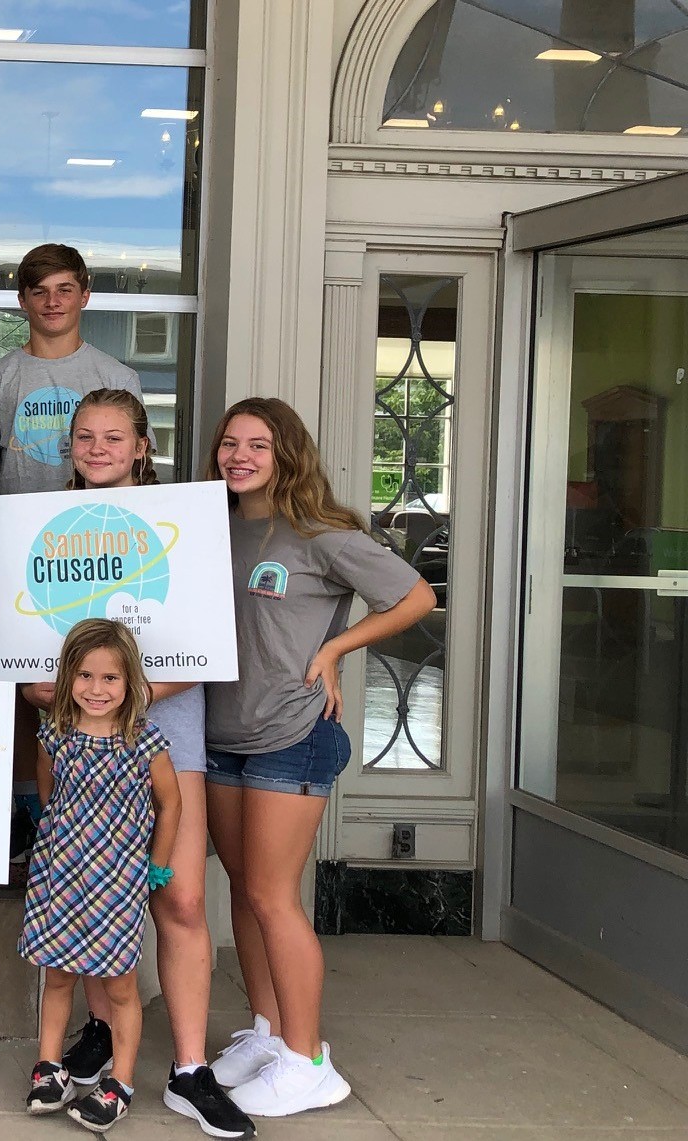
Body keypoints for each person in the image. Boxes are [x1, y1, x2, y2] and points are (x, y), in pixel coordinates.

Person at [19, 389, 253, 1139]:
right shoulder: (41, 523)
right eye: (84, 436)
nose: (97, 447)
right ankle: (97, 1030)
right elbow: (19, 639)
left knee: (178, 899)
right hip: (72, 725)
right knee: (87, 882)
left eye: (113, 436)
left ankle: (189, 1069)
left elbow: (209, 636)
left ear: (141, 445)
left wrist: (128, 692)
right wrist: (45, 684)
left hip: (164, 728)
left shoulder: (180, 521)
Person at [201, 398, 435, 1118]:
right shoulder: (216, 524)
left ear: (287, 453)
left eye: (258, 445)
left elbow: (416, 596)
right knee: (243, 889)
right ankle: (271, 1032)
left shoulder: (320, 532)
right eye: (229, 443)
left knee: (274, 895)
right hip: (222, 733)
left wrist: (335, 647)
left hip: (291, 732)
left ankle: (308, 1060)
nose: (239, 455)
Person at [0, 243, 142, 865]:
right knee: (21, 690)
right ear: (22, 302)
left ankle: (91, 819)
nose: (53, 302)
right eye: (39, 291)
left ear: (85, 295)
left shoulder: (117, 375)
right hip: (20, 559)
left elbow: (134, 479)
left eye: (65, 289)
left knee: (92, 682)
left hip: (98, 553)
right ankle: (23, 814)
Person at [22, 619, 181, 1134]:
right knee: (58, 974)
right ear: (68, 676)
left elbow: (170, 801)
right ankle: (49, 1069)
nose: (96, 689)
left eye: (110, 678)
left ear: (129, 682)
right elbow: (49, 794)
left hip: (117, 881)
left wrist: (157, 863)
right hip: (61, 874)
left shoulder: (143, 740)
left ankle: (122, 1082)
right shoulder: (56, 733)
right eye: (85, 676)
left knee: (119, 986)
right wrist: (61, 838)